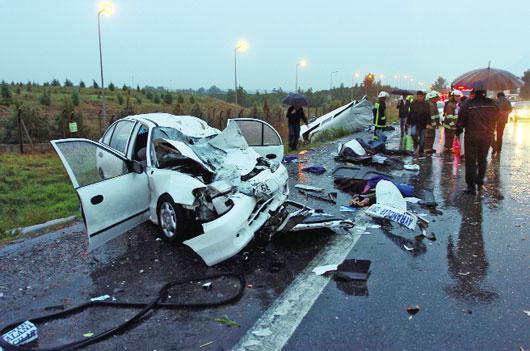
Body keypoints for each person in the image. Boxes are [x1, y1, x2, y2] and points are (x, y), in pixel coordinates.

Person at [456, 82, 499, 194]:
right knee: (482, 159)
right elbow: (497, 117)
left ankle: (471, 186)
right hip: (487, 136)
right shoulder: (492, 104)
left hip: (471, 136)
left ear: (474, 91)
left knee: (470, 160)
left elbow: (461, 121)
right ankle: (480, 182)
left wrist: (459, 129)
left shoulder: (467, 104)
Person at [407, 90, 431, 156]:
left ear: (423, 97)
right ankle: (416, 144)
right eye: (418, 96)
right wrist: (408, 122)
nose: (419, 98)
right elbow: (410, 113)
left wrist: (428, 123)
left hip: (423, 124)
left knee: (422, 139)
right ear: (416, 96)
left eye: (421, 96)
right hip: (414, 123)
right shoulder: (413, 103)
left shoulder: (426, 104)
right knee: (413, 134)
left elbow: (429, 115)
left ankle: (421, 152)